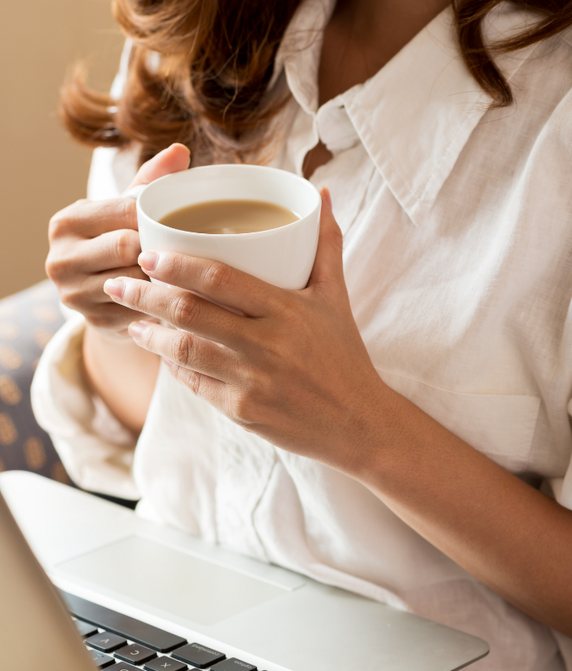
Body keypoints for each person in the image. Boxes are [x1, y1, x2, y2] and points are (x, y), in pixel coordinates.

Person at [32, 0, 572, 668]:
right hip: (164, 620)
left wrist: (362, 425)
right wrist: (118, 309)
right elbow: (155, 414)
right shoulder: (193, 31)